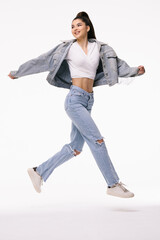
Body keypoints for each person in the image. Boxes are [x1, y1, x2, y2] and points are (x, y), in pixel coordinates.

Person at [8, 11, 145, 198]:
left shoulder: (101, 48)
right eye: (72, 26)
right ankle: (113, 184)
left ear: (88, 28)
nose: (75, 29)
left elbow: (118, 65)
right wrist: (19, 72)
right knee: (97, 141)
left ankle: (39, 171)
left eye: (78, 25)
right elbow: (41, 61)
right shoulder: (67, 48)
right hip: (74, 100)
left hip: (89, 99)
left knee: (75, 147)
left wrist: (135, 71)